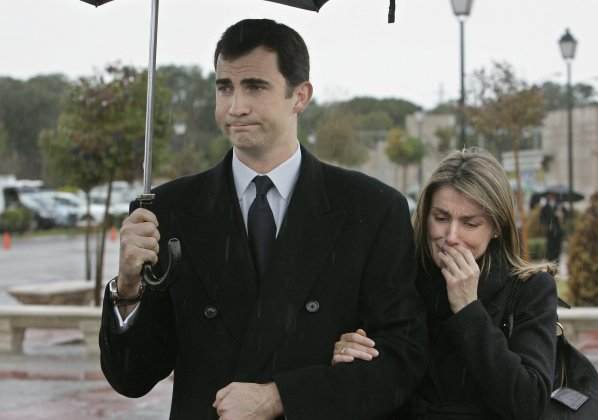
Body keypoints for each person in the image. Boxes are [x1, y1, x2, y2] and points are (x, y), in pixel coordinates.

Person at [99, 18, 428, 420]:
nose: (235, 107)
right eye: (225, 87)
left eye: (255, 86)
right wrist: (129, 288)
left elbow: (402, 360)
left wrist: (282, 397)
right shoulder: (167, 212)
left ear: (300, 96)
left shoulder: (372, 210)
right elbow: (132, 377)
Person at [332, 149, 558, 420]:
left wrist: (468, 309)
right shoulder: (398, 276)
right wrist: (347, 356)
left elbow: (529, 402)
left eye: (470, 223)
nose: (451, 237)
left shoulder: (529, 288)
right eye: (440, 218)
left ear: (497, 227)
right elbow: (377, 381)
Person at [539, 192, 565, 262]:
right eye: (550, 196)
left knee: (558, 247)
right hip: (550, 231)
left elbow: (565, 216)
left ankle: (557, 261)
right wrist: (546, 225)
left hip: (558, 230)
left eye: (553, 196)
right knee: (550, 247)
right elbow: (541, 218)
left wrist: (560, 215)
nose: (551, 197)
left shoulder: (559, 206)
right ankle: (551, 261)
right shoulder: (545, 207)